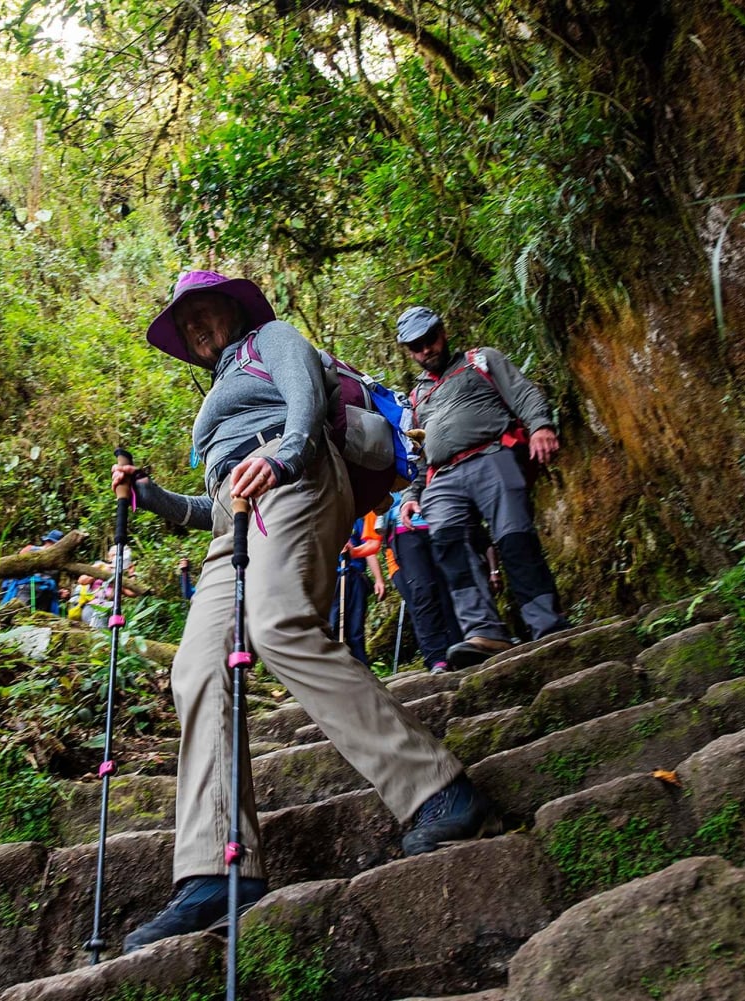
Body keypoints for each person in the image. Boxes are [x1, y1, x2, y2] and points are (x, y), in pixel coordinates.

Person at [112, 270, 495, 955]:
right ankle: (217, 868)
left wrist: (285, 458)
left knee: (280, 621)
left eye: (203, 312)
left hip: (296, 476)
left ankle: (437, 788)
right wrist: (154, 497)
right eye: (186, 323)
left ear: (230, 308)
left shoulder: (272, 339)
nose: (197, 328)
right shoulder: (214, 399)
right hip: (234, 518)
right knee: (196, 668)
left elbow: (304, 405)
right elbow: (212, 507)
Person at [396, 306, 569, 669]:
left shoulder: (481, 361)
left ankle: (545, 625)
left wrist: (540, 426)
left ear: (443, 333)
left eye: (429, 340)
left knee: (515, 539)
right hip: (441, 478)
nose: (425, 350)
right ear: (409, 352)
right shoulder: (415, 399)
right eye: (415, 346)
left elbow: (522, 394)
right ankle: (485, 632)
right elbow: (420, 454)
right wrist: (412, 496)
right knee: (449, 549)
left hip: (491, 455)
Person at [383, 489, 466, 673]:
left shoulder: (422, 462)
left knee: (450, 587)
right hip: (403, 529)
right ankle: (437, 657)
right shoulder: (387, 469)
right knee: (423, 590)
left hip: (440, 519)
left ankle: (460, 647)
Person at [327, 511, 385, 665]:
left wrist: (379, 579)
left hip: (355, 575)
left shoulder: (358, 517)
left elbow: (369, 548)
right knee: (332, 627)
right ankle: (333, 671)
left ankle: (362, 670)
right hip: (330, 578)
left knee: (355, 630)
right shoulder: (324, 514)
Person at [1, 529, 67, 613]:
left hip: (45, 595)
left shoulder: (59, 561)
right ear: (47, 541)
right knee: (19, 613)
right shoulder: (31, 550)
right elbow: (16, 566)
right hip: (27, 588)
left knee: (39, 620)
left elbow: (54, 582)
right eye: (52, 543)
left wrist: (59, 592)